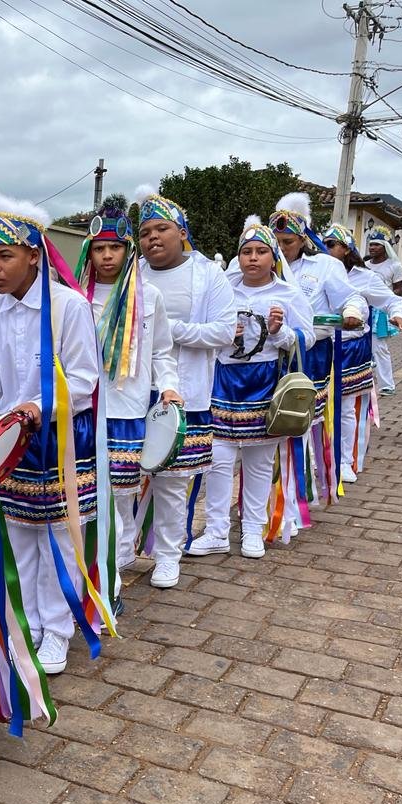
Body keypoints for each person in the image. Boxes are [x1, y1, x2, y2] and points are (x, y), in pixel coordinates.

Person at [0, 186, 100, 674]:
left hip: (60, 438)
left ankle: (59, 630)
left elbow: (85, 379)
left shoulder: (68, 307)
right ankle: (25, 627)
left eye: (5, 256)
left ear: (33, 255)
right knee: (19, 539)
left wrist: (35, 407)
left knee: (60, 539)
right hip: (12, 442)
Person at [190, 218, 313, 559]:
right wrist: (224, 335)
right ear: (238, 257)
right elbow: (204, 327)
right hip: (223, 381)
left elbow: (307, 338)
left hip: (264, 383)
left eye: (261, 251)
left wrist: (279, 332)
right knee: (218, 459)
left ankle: (252, 530)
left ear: (274, 257)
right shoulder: (222, 288)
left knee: (259, 463)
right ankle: (216, 531)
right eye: (247, 252)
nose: (253, 258)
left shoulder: (288, 294)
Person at [134, 186, 238, 581]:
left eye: (161, 229)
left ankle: (168, 556)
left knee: (173, 482)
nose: (153, 238)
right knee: (125, 476)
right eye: (145, 233)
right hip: (133, 393)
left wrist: (168, 330)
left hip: (183, 393)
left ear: (181, 233)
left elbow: (224, 331)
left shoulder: (208, 274)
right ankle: (123, 551)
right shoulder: (132, 273)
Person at [75, 205, 180, 581]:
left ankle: (119, 554)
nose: (107, 256)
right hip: (84, 409)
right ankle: (101, 559)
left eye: (115, 248)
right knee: (89, 489)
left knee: (121, 489)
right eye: (99, 248)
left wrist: (169, 385)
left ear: (128, 249)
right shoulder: (74, 297)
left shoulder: (149, 296)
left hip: (128, 408)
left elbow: (162, 351)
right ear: (89, 251)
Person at [267, 193, 366, 507]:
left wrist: (352, 313)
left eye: (287, 242)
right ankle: (269, 494)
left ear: (303, 239)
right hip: (267, 354)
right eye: (276, 242)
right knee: (267, 420)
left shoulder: (325, 266)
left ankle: (299, 493)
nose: (281, 248)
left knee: (301, 421)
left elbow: (352, 298)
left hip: (311, 354)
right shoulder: (257, 264)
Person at [322, 223, 402, 479]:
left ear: (347, 249)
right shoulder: (313, 271)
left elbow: (392, 300)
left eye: (331, 245)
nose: (324, 249)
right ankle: (318, 458)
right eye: (322, 244)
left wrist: (397, 314)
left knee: (345, 407)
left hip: (351, 347)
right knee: (315, 406)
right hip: (319, 346)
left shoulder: (365, 277)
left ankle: (344, 462)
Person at [365, 225, 402, 397]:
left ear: (385, 247)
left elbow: (399, 289)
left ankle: (387, 384)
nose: (372, 247)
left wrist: (383, 298)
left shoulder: (394, 266)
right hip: (363, 309)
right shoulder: (364, 265)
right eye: (371, 244)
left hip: (381, 311)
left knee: (379, 347)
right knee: (363, 346)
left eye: (377, 244)